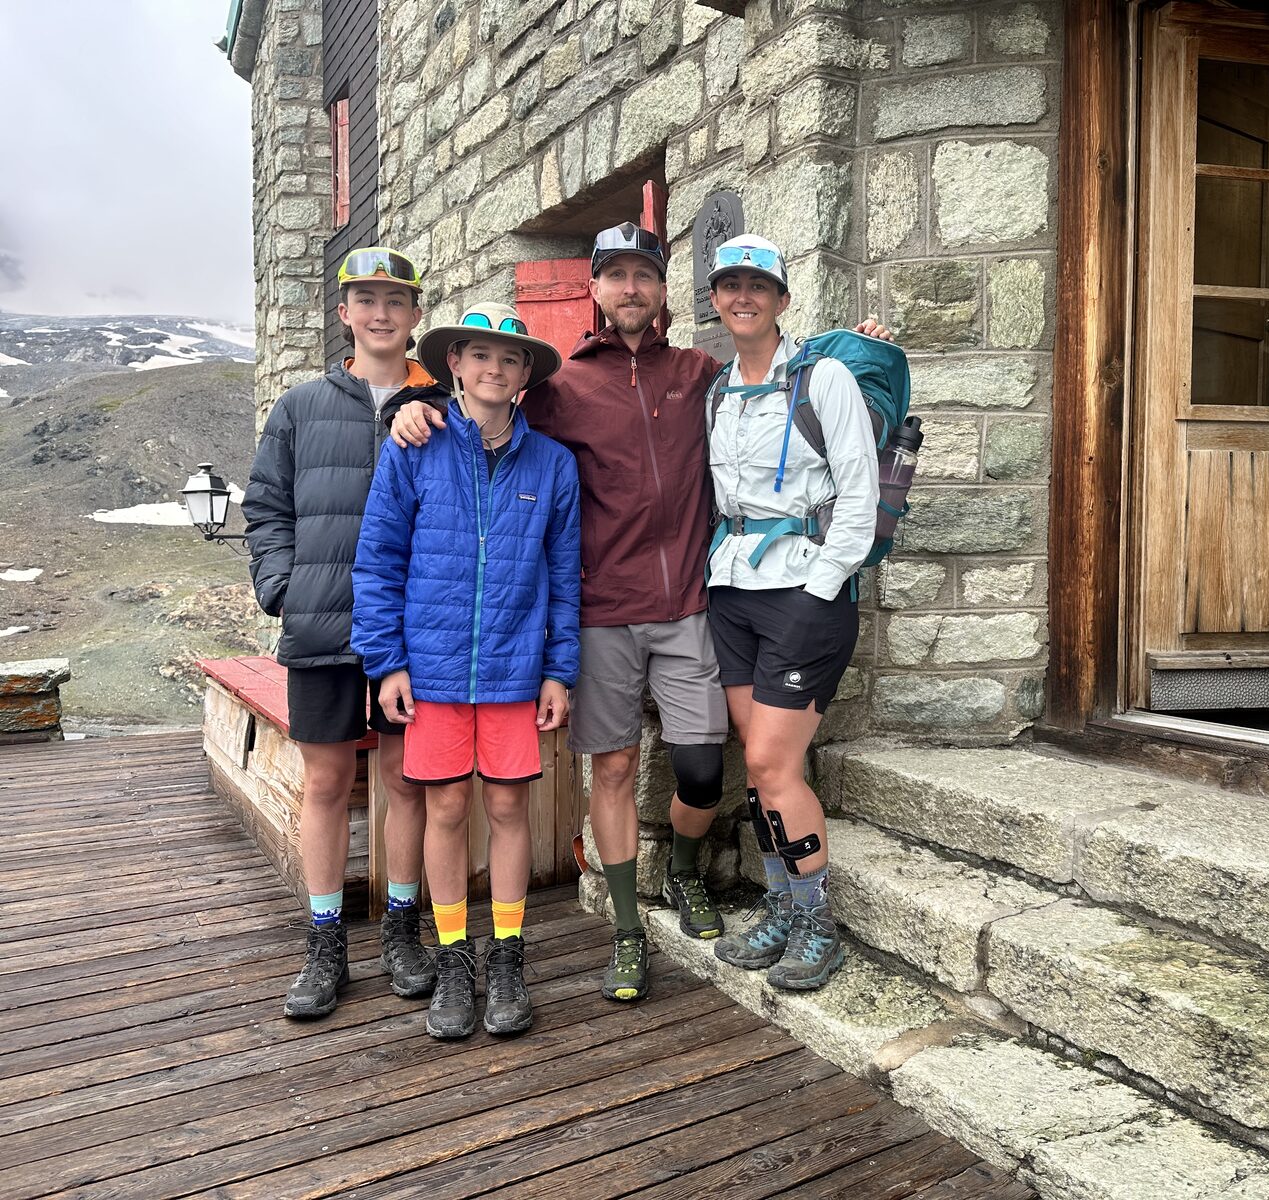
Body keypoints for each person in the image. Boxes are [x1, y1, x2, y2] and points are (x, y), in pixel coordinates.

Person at [390, 223, 889, 1003]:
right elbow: (486, 410)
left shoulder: (701, 375)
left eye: (643, 276)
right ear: (594, 287)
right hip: (601, 611)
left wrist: (858, 345)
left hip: (693, 601)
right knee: (616, 767)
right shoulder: (562, 388)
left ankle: (687, 871)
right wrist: (412, 404)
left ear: (662, 291)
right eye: (614, 275)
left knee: (705, 765)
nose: (629, 288)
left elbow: (776, 348)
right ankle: (628, 931)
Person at [352, 301, 580, 1039]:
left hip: (516, 671)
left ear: (525, 376)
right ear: (453, 363)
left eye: (510, 359)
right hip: (436, 670)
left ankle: (507, 952)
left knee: (510, 810)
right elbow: (378, 560)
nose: (494, 368)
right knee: (446, 810)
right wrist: (386, 662)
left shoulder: (553, 465)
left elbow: (566, 575)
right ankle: (454, 953)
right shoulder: (412, 447)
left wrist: (558, 669)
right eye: (479, 355)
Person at [243, 246, 447, 1019]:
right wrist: (283, 589)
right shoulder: (299, 407)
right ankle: (325, 942)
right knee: (327, 783)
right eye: (366, 299)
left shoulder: (442, 408)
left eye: (396, 300)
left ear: (415, 314)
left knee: (405, 783)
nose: (381, 313)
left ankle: (401, 930)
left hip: (412, 632)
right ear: (345, 314)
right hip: (323, 626)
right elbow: (266, 508)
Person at [703, 235, 879, 991]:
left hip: (804, 593)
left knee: (774, 762)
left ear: (781, 298)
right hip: (732, 590)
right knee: (764, 765)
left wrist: (822, 586)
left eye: (758, 285)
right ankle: (781, 904)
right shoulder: (716, 389)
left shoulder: (824, 377)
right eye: (730, 285)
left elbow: (859, 496)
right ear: (716, 299)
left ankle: (816, 922)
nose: (744, 297)